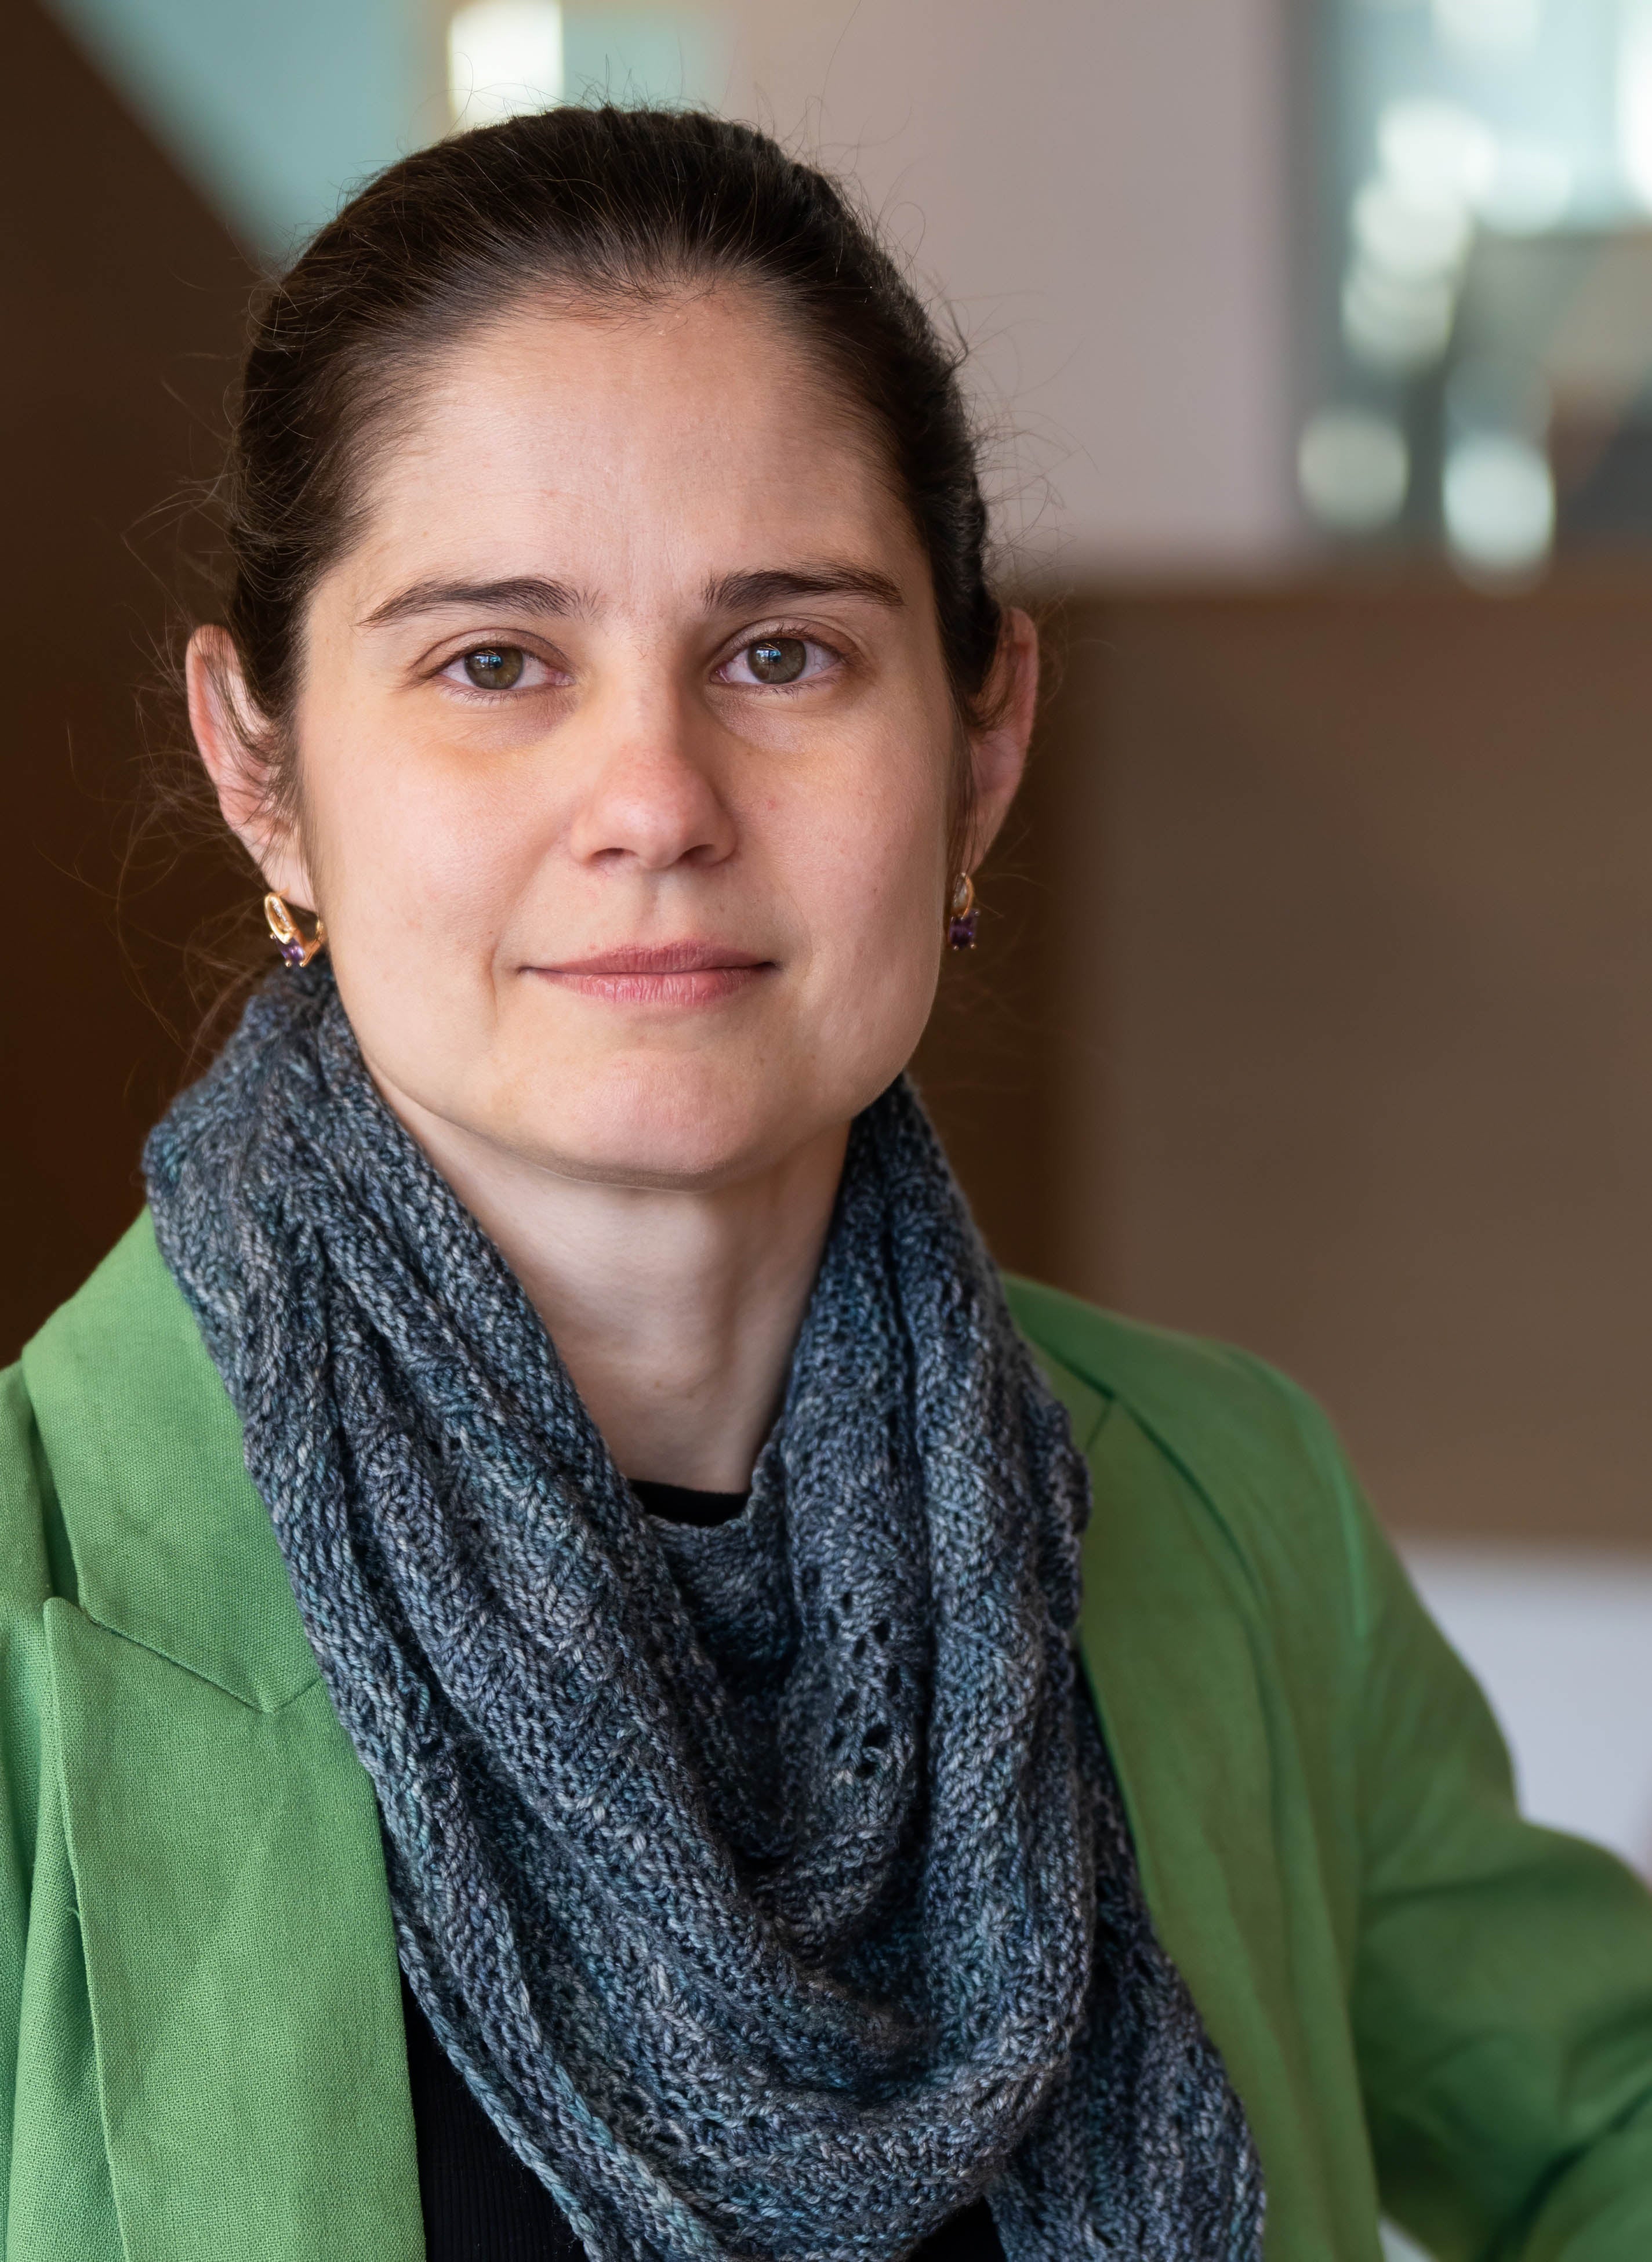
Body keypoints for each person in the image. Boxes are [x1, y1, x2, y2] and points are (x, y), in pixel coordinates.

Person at [3, 102, 1650, 2262]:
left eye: (781, 652)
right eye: (494, 663)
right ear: (265, 772)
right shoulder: (42, 1610)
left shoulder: (1228, 1507)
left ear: (980, 746)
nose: (654, 799)